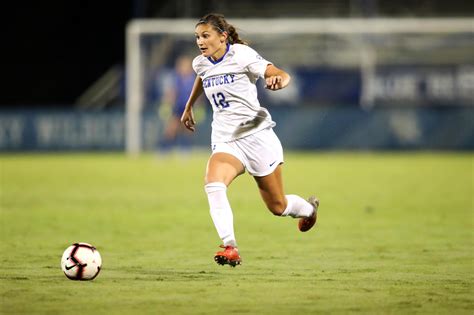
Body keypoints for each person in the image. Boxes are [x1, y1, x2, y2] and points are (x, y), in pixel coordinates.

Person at [181, 13, 319, 267]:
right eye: (197, 37)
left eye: (205, 35)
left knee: (278, 206)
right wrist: (189, 105)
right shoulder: (200, 63)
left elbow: (275, 71)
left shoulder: (241, 54)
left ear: (222, 37)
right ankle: (229, 246)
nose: (200, 41)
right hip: (226, 139)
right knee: (213, 184)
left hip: (257, 138)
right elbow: (203, 75)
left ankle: (309, 210)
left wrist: (279, 79)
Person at [157, 55, 196, 153]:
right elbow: (171, 92)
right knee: (171, 129)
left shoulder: (193, 79)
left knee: (187, 129)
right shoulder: (176, 78)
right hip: (178, 107)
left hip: (188, 107)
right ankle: (164, 149)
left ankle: (185, 150)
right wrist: (166, 104)